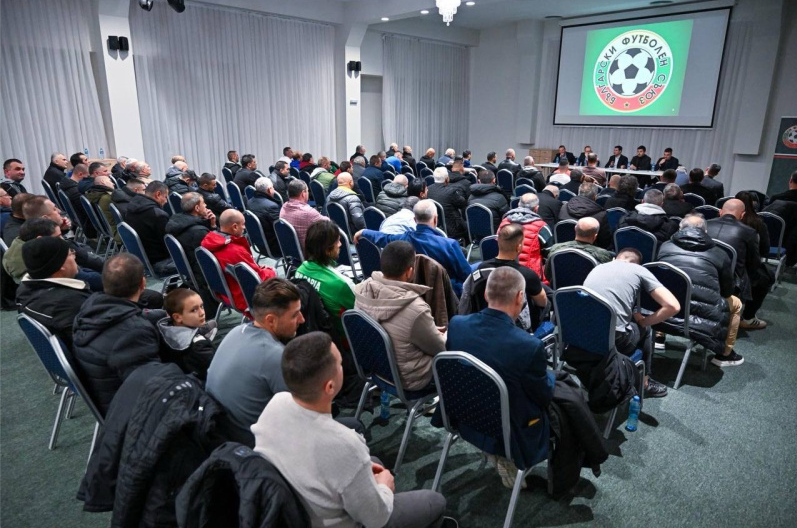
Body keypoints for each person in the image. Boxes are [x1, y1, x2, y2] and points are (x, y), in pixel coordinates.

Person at [252, 331, 449, 528]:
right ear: (330, 387)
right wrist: (384, 487)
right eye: (340, 364)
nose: (343, 366)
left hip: (298, 506)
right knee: (434, 501)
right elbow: (376, 519)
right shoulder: (344, 443)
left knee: (374, 462)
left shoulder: (276, 404)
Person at [447, 267, 554, 488]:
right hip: (509, 429)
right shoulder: (529, 346)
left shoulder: (456, 325)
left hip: (463, 413)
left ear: (486, 294)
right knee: (566, 403)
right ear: (520, 297)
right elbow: (543, 397)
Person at [206, 278, 302, 444]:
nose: (302, 319)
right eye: (295, 315)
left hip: (222, 436)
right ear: (271, 320)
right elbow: (302, 415)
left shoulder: (236, 331)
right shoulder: (276, 355)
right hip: (256, 448)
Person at [72, 253, 163, 414]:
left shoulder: (88, 311)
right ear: (143, 283)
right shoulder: (133, 331)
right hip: (136, 413)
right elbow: (153, 388)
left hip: (111, 399)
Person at [583, 248, 679, 398]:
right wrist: (644, 322)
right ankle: (645, 382)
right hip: (612, 339)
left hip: (582, 335)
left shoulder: (597, 267)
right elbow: (673, 306)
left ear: (615, 258)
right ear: (637, 264)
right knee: (645, 330)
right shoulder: (639, 270)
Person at [354, 241, 447, 390]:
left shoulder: (362, 290)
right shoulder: (416, 309)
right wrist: (444, 336)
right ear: (409, 271)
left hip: (377, 368)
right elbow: (441, 349)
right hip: (412, 379)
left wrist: (427, 329)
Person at [658, 214, 743, 366]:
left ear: (680, 229)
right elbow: (727, 291)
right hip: (702, 314)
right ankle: (725, 354)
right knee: (736, 303)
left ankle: (658, 336)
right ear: (706, 231)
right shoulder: (720, 253)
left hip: (665, 311)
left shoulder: (665, 246)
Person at [355, 200, 471, 296]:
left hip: (415, 290)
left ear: (415, 220)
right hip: (447, 293)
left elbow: (384, 238)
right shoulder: (449, 245)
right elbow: (467, 275)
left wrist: (364, 232)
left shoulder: (404, 239)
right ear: (436, 219)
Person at [15, 236, 91, 351]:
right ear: (61, 265)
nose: (74, 256)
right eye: (71, 253)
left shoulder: (23, 289)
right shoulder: (70, 302)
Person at [707, 198, 770, 330]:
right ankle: (748, 318)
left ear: (720, 211)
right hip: (731, 279)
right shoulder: (749, 232)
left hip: (704, 271)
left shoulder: (705, 224)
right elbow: (754, 262)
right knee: (766, 277)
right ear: (742, 215)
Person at [201, 209, 276, 313]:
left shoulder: (210, 243)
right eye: (243, 224)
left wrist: (256, 268)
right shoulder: (235, 251)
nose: (244, 228)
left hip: (226, 293)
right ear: (235, 227)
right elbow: (259, 278)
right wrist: (270, 271)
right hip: (243, 296)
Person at [475, 223, 548, 330]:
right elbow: (542, 302)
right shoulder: (526, 274)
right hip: (519, 328)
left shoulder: (482, 268)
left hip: (487, 321)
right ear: (519, 247)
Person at [295, 220, 355, 335]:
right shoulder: (341, 284)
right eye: (337, 241)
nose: (340, 244)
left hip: (314, 331)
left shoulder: (300, 271)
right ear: (327, 250)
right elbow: (361, 313)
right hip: (344, 337)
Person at [164, 192, 218, 311]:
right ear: (197, 208)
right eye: (204, 203)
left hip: (191, 270)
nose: (206, 205)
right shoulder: (198, 232)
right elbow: (217, 248)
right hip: (204, 272)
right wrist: (214, 227)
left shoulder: (176, 221)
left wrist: (209, 224)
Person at [157, 288, 217, 379]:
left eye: (202, 306)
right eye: (194, 310)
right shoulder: (200, 346)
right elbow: (218, 369)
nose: (202, 313)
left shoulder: (162, 330)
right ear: (177, 317)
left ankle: (197, 330)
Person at [125, 181, 176, 275]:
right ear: (158, 194)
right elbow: (169, 244)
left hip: (142, 259)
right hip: (159, 261)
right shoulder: (158, 215)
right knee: (196, 260)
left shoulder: (131, 207)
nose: (166, 201)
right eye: (165, 197)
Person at [499, 193, 553, 280]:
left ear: (518, 205)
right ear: (536, 208)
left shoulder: (504, 223)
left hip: (504, 273)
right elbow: (549, 253)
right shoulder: (542, 227)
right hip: (531, 276)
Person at [545, 217, 614, 278]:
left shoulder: (555, 248)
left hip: (560, 288)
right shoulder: (603, 255)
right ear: (595, 236)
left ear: (575, 229)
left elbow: (548, 274)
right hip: (589, 289)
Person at [558, 182, 611, 248]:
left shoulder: (563, 208)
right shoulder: (601, 215)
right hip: (591, 252)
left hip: (563, 249)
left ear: (578, 193)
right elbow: (604, 243)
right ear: (595, 197)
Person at [279, 179, 328, 251]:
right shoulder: (308, 212)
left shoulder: (284, 206)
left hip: (291, 250)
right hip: (309, 252)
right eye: (307, 191)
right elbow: (327, 224)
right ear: (303, 193)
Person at [427, 167, 467, 240]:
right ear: (447, 179)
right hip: (452, 229)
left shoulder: (428, 189)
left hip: (434, 225)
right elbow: (463, 203)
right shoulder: (451, 192)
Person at [247, 176, 282, 255]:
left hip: (260, 244)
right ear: (269, 190)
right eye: (273, 188)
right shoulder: (272, 206)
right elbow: (280, 229)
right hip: (274, 246)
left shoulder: (249, 202)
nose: (274, 190)